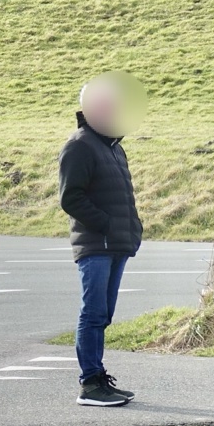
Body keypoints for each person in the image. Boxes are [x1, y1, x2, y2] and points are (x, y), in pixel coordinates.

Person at [59, 74, 143, 407]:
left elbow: (123, 196)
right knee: (93, 313)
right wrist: (106, 225)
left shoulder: (113, 148)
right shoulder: (79, 145)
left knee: (104, 314)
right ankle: (90, 383)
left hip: (116, 244)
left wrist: (132, 228)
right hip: (96, 246)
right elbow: (71, 198)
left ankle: (98, 377)